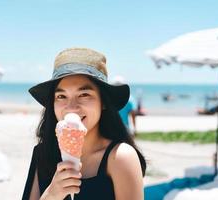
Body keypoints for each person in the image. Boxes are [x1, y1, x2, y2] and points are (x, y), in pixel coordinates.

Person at [22, 48, 146, 200]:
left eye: (84, 94)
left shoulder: (120, 157)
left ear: (103, 102)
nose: (72, 107)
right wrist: (51, 195)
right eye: (61, 96)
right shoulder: (42, 154)